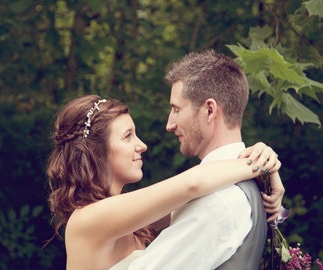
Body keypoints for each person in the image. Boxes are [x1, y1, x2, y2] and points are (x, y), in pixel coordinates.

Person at [46, 95, 282, 270]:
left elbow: (199, 199)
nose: (142, 145)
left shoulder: (130, 220)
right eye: (128, 136)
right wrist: (261, 164)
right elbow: (193, 185)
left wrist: (260, 153)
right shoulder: (87, 220)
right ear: (96, 150)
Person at [127, 50, 285, 269]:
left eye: (176, 109)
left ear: (209, 110)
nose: (169, 124)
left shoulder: (217, 201)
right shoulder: (252, 182)